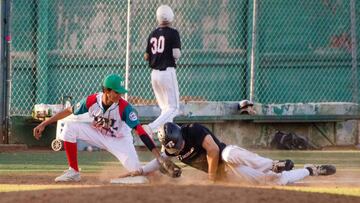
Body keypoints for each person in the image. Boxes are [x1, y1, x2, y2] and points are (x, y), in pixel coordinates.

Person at [33, 74, 171, 182]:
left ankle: (164, 173)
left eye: (121, 92)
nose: (120, 95)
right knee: (70, 127)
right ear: (106, 90)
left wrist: (158, 156)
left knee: (139, 173)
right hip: (97, 134)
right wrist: (44, 123)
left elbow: (140, 131)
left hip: (120, 141)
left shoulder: (124, 107)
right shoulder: (91, 101)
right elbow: (69, 111)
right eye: (116, 92)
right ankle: (73, 171)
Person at [123, 122, 336, 185]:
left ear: (180, 134)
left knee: (227, 154)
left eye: (176, 144)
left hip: (227, 156)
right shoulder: (168, 148)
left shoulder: (193, 130)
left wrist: (210, 178)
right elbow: (159, 161)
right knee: (274, 181)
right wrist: (140, 170)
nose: (175, 149)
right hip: (227, 175)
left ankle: (272, 163)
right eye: (171, 148)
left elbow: (214, 151)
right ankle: (310, 170)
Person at [143, 5, 181, 135]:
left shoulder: (152, 33)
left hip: (154, 74)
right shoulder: (173, 32)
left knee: (165, 110)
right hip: (167, 72)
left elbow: (146, 56)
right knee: (174, 108)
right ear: (171, 17)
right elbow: (176, 54)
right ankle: (151, 128)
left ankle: (166, 141)